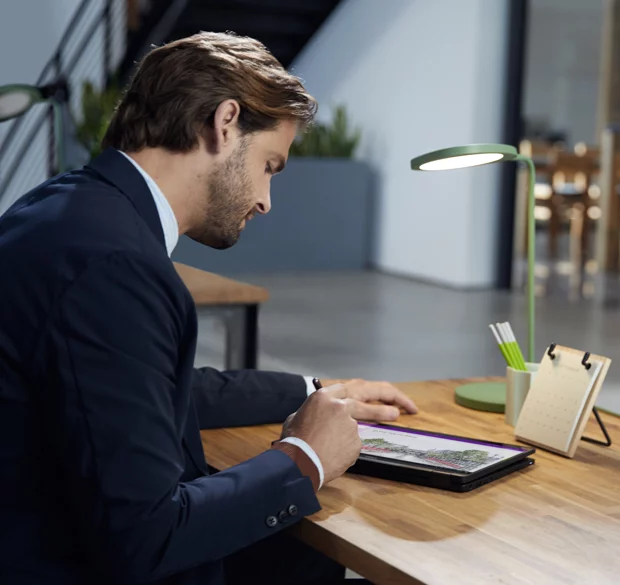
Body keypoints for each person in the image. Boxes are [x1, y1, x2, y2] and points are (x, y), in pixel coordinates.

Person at [0, 32, 417, 585]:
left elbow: (136, 387)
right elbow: (146, 537)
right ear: (224, 123)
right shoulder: (115, 264)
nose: (267, 201)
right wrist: (305, 458)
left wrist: (311, 390)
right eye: (270, 165)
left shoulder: (63, 209)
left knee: (300, 557)